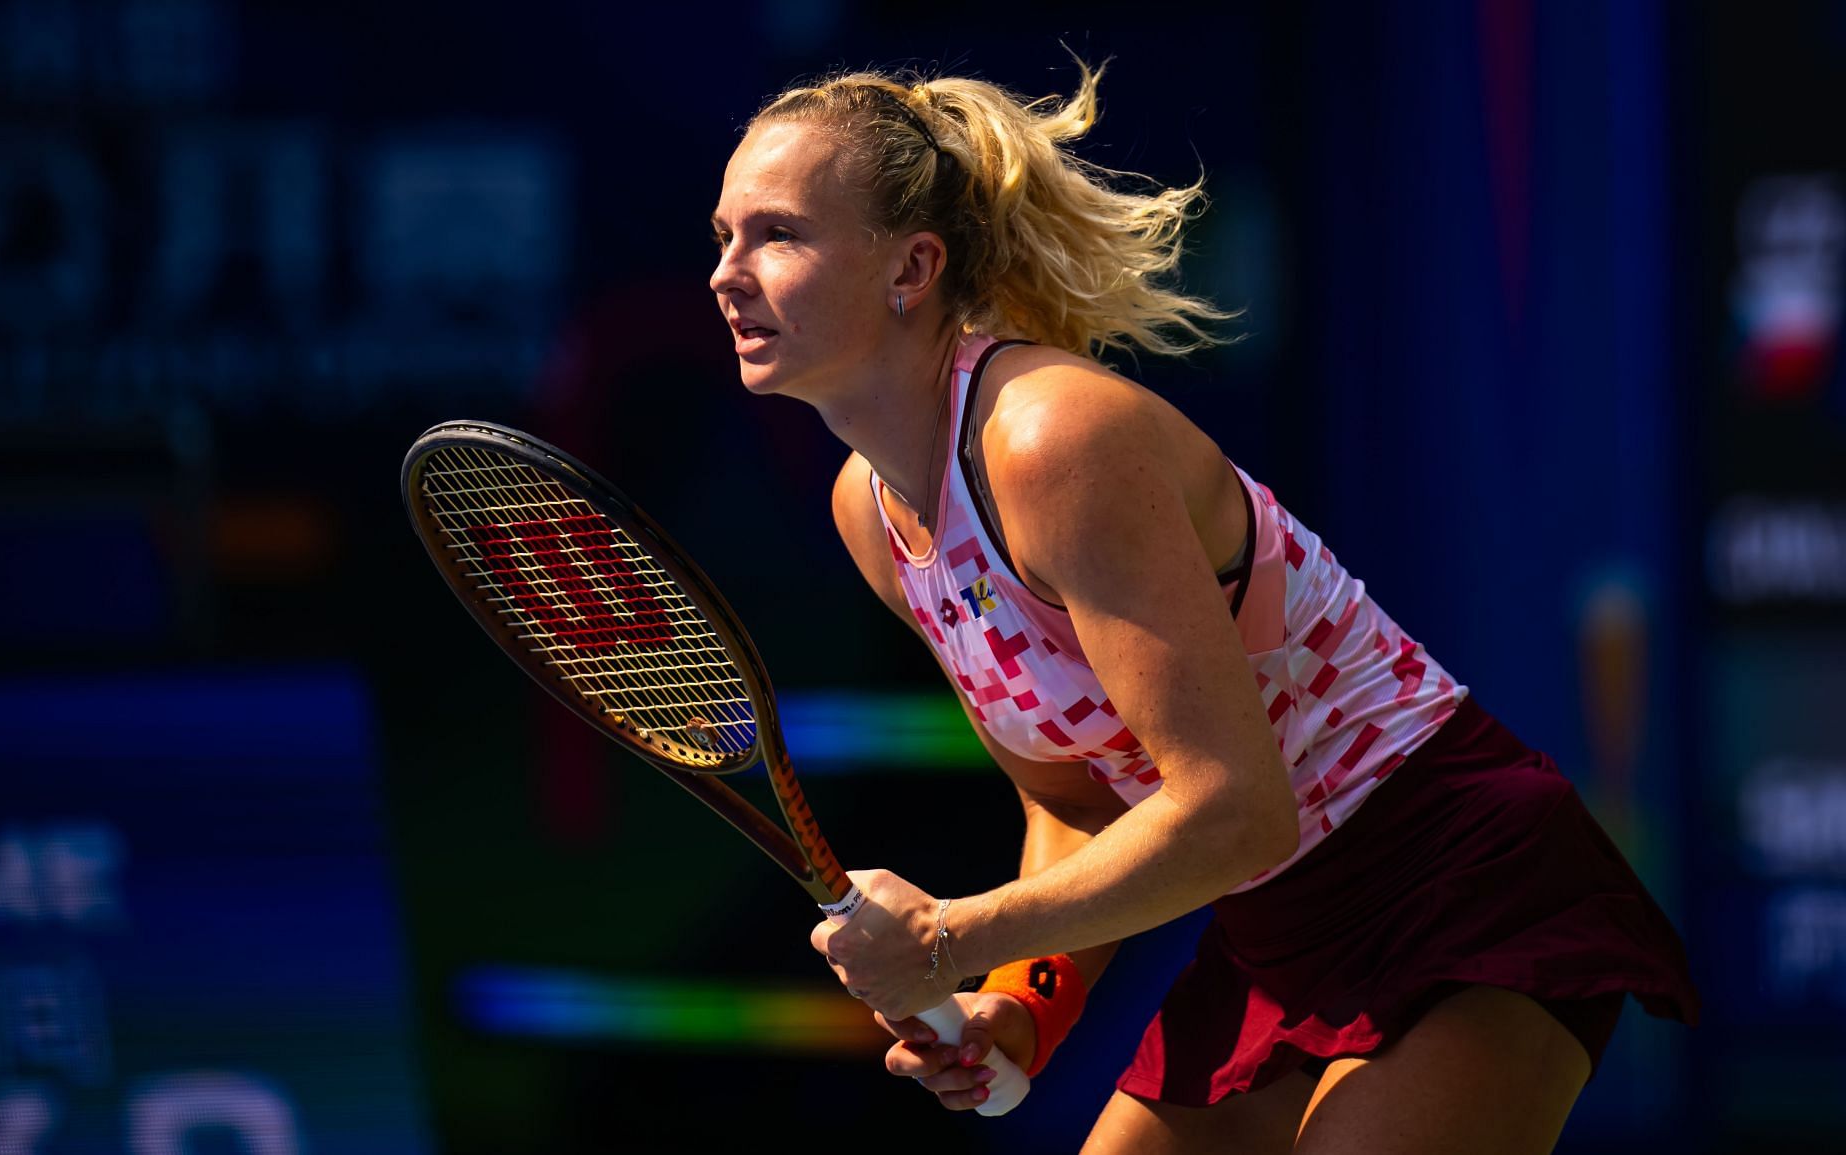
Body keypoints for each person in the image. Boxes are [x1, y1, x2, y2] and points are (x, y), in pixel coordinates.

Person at [707, 58, 1699, 1154]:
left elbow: (1234, 811)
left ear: (913, 267)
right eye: (723, 237)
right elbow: (1079, 800)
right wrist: (1024, 1002)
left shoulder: (1051, 441)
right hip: (1274, 930)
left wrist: (952, 936)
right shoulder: (875, 516)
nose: (727, 274)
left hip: (1456, 878)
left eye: (777, 235)